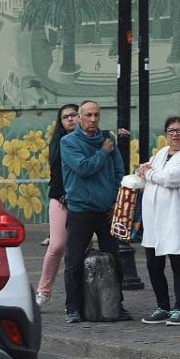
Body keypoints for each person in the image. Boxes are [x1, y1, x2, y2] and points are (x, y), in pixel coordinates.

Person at [60, 100, 131, 323]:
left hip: (106, 210)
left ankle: (115, 305)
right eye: (88, 115)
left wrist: (116, 202)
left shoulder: (108, 140)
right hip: (80, 209)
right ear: (80, 118)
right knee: (74, 261)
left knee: (115, 259)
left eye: (96, 115)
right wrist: (103, 152)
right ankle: (73, 307)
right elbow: (83, 168)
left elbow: (119, 171)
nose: (93, 119)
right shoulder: (68, 142)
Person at [136, 116, 180, 327]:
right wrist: (146, 172)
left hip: (176, 219)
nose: (175, 134)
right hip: (155, 221)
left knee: (178, 264)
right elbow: (146, 173)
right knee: (154, 264)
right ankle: (162, 306)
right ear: (166, 134)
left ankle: (179, 310)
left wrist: (150, 172)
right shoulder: (161, 153)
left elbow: (170, 179)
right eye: (171, 131)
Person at [34, 103, 79, 307]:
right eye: (66, 117)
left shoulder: (88, 140)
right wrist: (63, 194)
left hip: (83, 200)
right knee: (57, 245)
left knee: (80, 249)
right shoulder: (59, 142)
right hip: (60, 197)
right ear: (60, 122)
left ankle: (82, 294)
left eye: (74, 115)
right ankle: (43, 291)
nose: (70, 119)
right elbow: (57, 174)